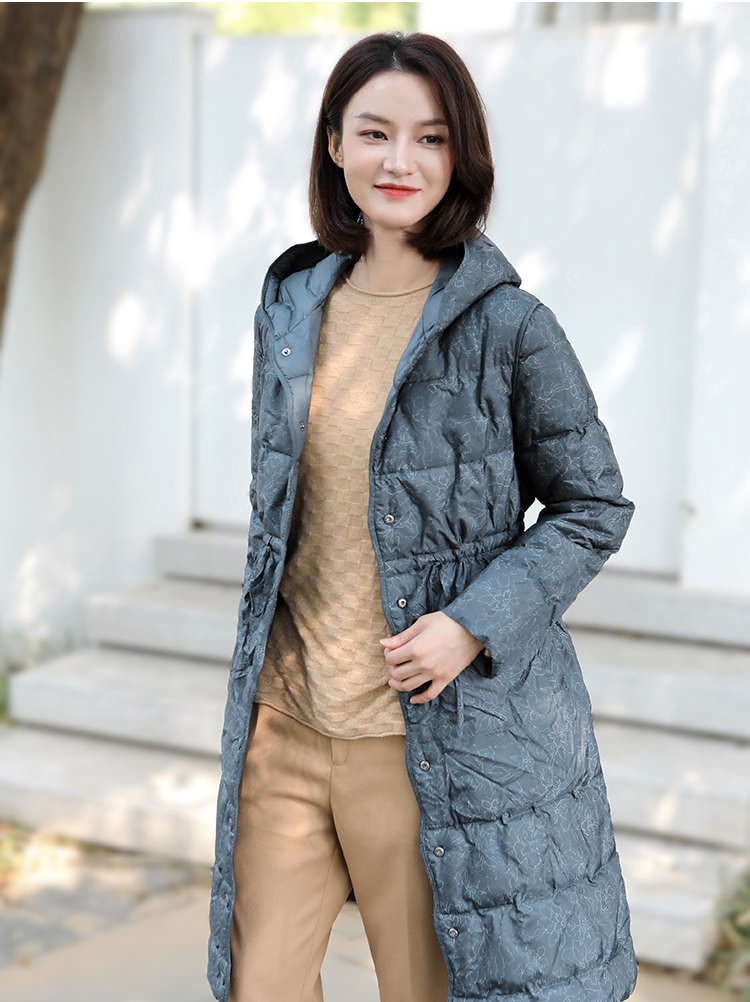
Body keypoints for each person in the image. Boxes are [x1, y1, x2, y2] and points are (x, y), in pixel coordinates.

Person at [207, 30, 639, 1002]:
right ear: (334, 145)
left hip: (421, 744)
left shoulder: (508, 326)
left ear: (460, 156)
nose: (399, 160)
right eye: (375, 133)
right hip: (285, 722)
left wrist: (472, 623)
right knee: (258, 985)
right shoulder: (291, 307)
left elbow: (593, 505)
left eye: (430, 137)